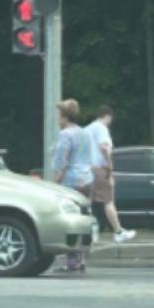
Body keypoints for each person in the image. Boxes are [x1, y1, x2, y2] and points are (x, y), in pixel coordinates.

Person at [52, 99, 94, 272]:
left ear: (65, 117)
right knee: (83, 219)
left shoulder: (65, 135)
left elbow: (61, 162)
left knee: (70, 220)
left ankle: (73, 261)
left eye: (59, 117)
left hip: (71, 180)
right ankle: (81, 258)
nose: (57, 120)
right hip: (87, 179)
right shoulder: (84, 133)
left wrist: (54, 184)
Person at [85, 105, 136, 243]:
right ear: (108, 116)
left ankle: (87, 231)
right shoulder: (101, 128)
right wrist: (109, 165)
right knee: (108, 201)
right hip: (100, 169)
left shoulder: (87, 129)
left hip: (87, 169)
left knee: (88, 202)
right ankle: (118, 231)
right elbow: (104, 147)